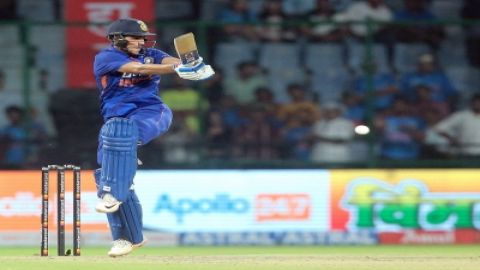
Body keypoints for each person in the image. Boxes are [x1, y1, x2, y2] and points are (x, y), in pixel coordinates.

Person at [92, 18, 214, 257]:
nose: (141, 42)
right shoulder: (105, 58)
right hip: (115, 121)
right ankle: (128, 238)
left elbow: (171, 62)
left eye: (142, 38)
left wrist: (191, 64)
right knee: (105, 170)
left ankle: (112, 192)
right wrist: (178, 69)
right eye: (135, 37)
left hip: (151, 113)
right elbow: (138, 69)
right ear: (118, 38)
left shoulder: (153, 54)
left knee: (119, 139)